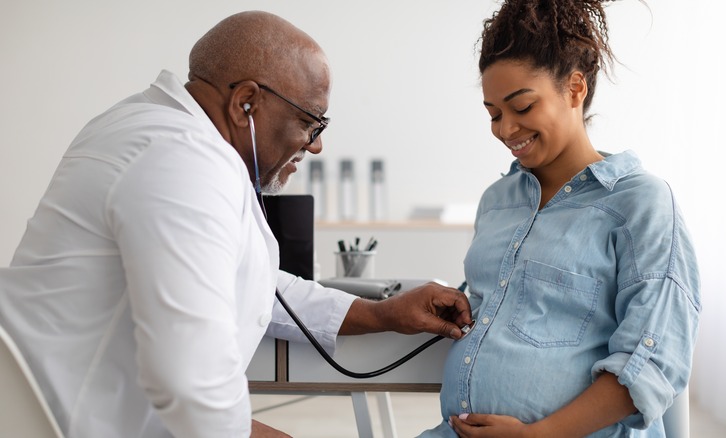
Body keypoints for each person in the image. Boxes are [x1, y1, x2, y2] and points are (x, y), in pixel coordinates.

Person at [0, 11, 472, 438]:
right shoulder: (184, 163)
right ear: (246, 102)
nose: (314, 146)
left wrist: (381, 314)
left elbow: (246, 282)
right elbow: (194, 387)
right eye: (311, 123)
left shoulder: (157, 132)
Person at [419, 0, 701, 437]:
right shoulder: (497, 201)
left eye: (522, 107)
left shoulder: (641, 203)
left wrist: (538, 434)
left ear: (574, 89)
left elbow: (652, 359)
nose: (505, 129)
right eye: (493, 113)